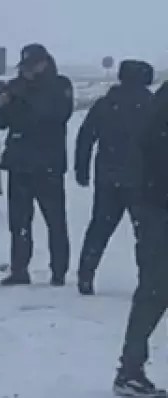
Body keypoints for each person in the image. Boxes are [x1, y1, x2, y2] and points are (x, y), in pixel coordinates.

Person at [0, 43, 75, 286]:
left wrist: (19, 100)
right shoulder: (15, 86)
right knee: (19, 223)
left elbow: (55, 115)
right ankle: (19, 268)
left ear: (44, 63)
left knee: (55, 221)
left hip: (48, 163)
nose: (27, 71)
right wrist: (0, 105)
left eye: (32, 65)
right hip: (19, 163)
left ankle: (58, 271)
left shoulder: (60, 85)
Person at [74, 60, 156, 295]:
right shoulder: (153, 106)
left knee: (99, 228)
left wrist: (82, 169)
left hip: (108, 178)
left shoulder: (105, 104)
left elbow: (85, 137)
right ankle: (148, 281)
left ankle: (85, 276)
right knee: (146, 235)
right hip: (142, 180)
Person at [114, 76, 168, 398]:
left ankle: (130, 369)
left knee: (154, 291)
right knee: (154, 290)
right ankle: (130, 369)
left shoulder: (158, 102)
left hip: (154, 206)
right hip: (159, 208)